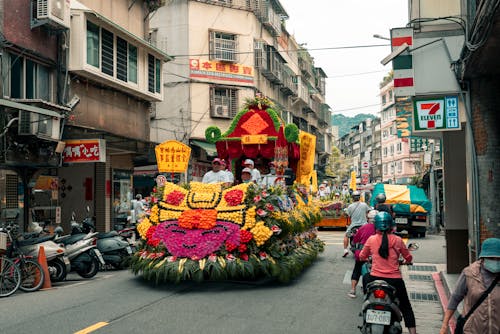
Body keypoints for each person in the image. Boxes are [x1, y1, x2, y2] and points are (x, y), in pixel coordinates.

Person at [359, 212, 417, 334]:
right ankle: (413, 332)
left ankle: (366, 306)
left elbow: (361, 256)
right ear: (391, 225)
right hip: (394, 280)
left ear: (376, 226)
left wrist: (369, 258)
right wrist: (406, 261)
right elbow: (408, 258)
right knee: (406, 307)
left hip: (374, 279)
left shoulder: (371, 239)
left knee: (365, 278)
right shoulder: (398, 240)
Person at [439, 237, 500, 334]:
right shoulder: (469, 273)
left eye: (498, 259)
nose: (496, 262)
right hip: (471, 330)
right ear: (483, 257)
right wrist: (444, 324)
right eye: (491, 258)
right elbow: (455, 298)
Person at [348, 209, 378, 298]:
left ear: (368, 218)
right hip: (377, 254)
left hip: (363, 253)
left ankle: (353, 290)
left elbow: (355, 240)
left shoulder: (364, 227)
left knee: (357, 270)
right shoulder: (383, 229)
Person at [343, 191, 371, 257]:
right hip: (364, 225)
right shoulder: (364, 205)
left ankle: (345, 250)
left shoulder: (350, 206)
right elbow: (368, 212)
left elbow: (347, 215)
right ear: (359, 197)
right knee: (370, 236)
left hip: (353, 226)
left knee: (346, 235)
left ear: (352, 198)